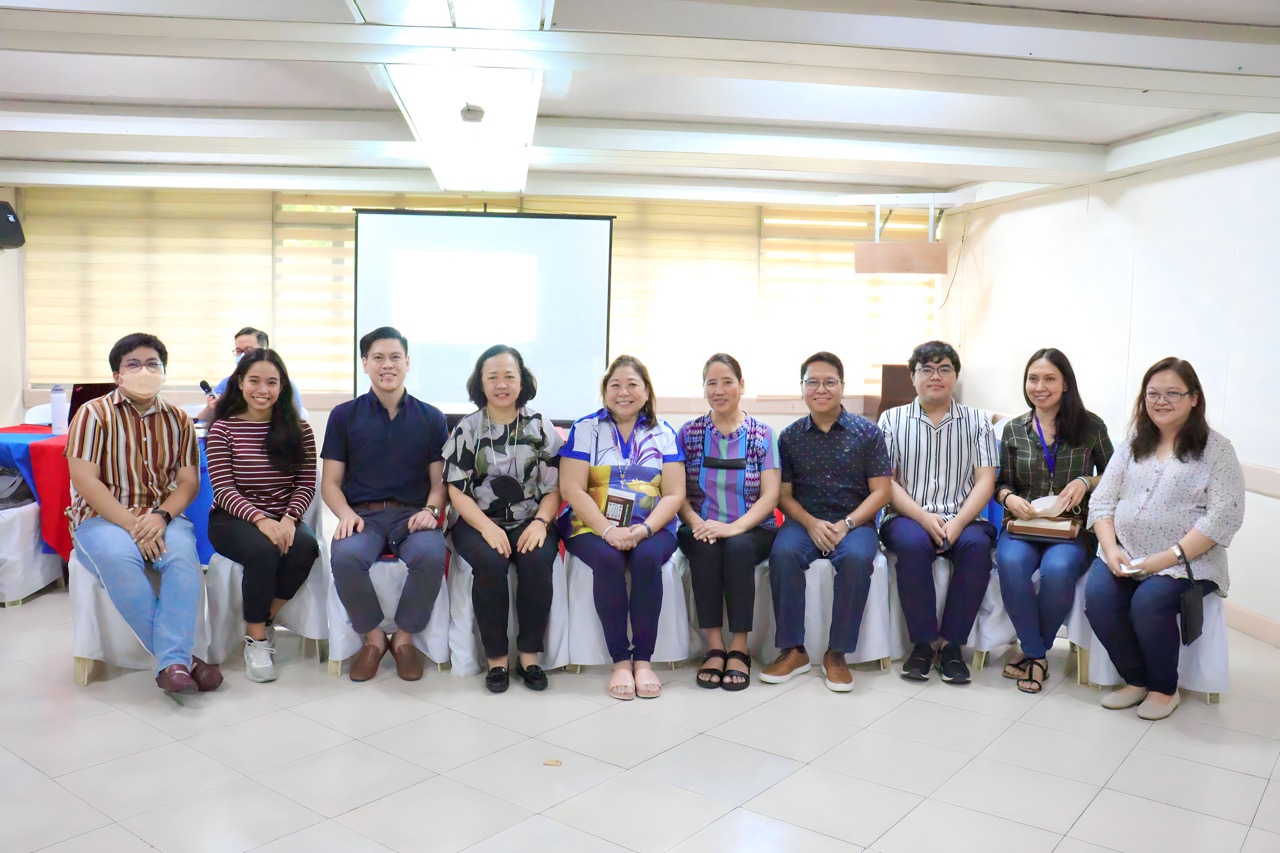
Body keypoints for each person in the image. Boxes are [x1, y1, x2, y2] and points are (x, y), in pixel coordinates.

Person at [1085, 357, 1244, 721]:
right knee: (1098, 598)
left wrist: (1167, 557)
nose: (1161, 401)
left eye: (1173, 393)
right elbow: (1103, 501)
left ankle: (1163, 688)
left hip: (1189, 562)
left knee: (1149, 602)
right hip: (1124, 552)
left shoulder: (1217, 450)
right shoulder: (1132, 444)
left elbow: (1223, 515)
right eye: (1153, 393)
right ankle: (1136, 679)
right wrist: (1110, 550)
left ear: (1194, 399)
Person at [65, 332, 223, 698]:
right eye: (133, 364)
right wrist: (134, 524)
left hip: (162, 516)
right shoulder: (93, 414)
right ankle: (183, 662)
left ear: (164, 372)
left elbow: (187, 482)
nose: (144, 370)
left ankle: (174, 665)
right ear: (117, 375)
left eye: (153, 363)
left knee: (183, 559)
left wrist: (161, 518)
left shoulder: (179, 419)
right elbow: (85, 480)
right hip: (102, 517)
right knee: (120, 558)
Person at [321, 326, 449, 683]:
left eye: (395, 357)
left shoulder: (431, 417)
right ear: (365, 364)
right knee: (346, 556)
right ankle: (374, 638)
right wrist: (345, 515)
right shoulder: (344, 415)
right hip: (363, 515)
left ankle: (405, 639)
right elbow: (330, 482)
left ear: (407, 362)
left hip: (413, 515)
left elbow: (439, 484)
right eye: (378, 357)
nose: (387, 365)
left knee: (431, 555)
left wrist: (431, 511)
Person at [760, 352, 892, 692]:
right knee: (783, 555)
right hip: (804, 522)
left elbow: (881, 492)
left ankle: (837, 654)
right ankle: (793, 650)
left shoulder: (868, 433)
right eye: (813, 382)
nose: (821, 389)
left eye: (830, 381)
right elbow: (783, 495)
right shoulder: (788, 437)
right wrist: (810, 523)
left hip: (855, 523)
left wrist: (847, 523)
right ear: (802, 388)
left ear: (842, 387)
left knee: (858, 558)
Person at [559, 355, 685, 700]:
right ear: (604, 391)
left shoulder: (664, 433)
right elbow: (571, 488)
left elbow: (674, 494)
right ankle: (620, 661)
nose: (623, 392)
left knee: (646, 559)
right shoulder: (585, 428)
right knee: (610, 560)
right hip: (590, 525)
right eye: (615, 384)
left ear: (646, 392)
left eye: (632, 384)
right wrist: (607, 531)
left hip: (652, 525)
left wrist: (644, 531)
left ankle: (643, 660)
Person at [444, 345, 563, 694]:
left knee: (538, 560)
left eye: (509, 376)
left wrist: (541, 522)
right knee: (490, 562)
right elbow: (457, 492)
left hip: (531, 518)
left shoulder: (539, 425)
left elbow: (555, 487)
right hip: (477, 521)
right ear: (480, 383)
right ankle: (497, 659)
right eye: (492, 376)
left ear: (522, 380)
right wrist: (487, 527)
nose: (501, 384)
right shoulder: (468, 429)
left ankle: (529, 655)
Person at [993, 349, 1113, 694]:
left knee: (1057, 571)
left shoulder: (1091, 427)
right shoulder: (1014, 429)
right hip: (1023, 525)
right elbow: (1002, 483)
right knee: (1011, 563)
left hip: (1070, 528)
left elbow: (1116, 475)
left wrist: (1085, 482)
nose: (1039, 387)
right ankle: (1039, 655)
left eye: (1049, 379)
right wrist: (1008, 498)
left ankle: (1032, 654)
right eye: (1033, 378)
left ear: (1065, 384)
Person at [879, 340, 998, 684]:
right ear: (912, 377)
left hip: (964, 516)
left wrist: (959, 522)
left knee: (976, 547)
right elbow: (886, 482)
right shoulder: (892, 420)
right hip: (907, 517)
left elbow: (985, 481)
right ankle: (922, 644)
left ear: (955, 376)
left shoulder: (978, 422)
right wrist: (922, 516)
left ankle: (951, 646)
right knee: (913, 545)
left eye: (944, 369)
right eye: (926, 370)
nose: (935, 376)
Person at [207, 349, 320, 683]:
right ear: (240, 383)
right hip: (232, 518)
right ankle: (256, 639)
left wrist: (288, 519)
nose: (263, 389)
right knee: (262, 549)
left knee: (305, 547)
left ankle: (262, 618)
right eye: (254, 380)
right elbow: (223, 490)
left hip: (283, 516)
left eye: (272, 382)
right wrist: (261, 520)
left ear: (282, 386)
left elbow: (305, 484)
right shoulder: (223, 430)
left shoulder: (300, 430)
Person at [677, 353, 781, 691]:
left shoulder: (762, 434)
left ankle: (739, 646)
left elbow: (770, 496)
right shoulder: (689, 433)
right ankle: (713, 645)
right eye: (711, 383)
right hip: (699, 525)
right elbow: (677, 495)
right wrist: (698, 524)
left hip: (752, 529)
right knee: (705, 548)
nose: (719, 390)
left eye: (727, 382)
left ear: (741, 385)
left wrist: (733, 527)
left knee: (736, 547)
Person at [196, 327, 302, 422]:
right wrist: (211, 407)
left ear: (265, 350)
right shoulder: (228, 382)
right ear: (240, 382)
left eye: (248, 350)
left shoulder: (286, 384)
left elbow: (295, 419)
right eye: (238, 351)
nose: (242, 355)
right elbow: (203, 419)